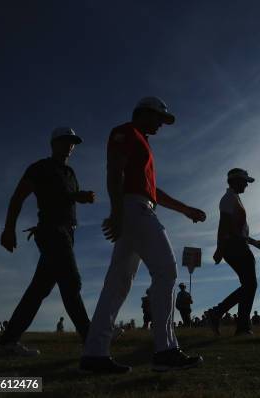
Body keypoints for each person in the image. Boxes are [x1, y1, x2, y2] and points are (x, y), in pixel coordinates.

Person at [80, 97, 207, 374]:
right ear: (144, 113)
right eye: (159, 118)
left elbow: (153, 192)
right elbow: (114, 171)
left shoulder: (142, 142)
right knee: (167, 271)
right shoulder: (126, 132)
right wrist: (116, 212)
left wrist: (185, 209)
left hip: (137, 207)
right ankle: (165, 351)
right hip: (133, 210)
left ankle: (94, 355)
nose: (162, 124)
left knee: (117, 284)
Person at [0, 127, 94, 356]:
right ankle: (92, 339)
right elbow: (17, 197)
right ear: (53, 143)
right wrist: (9, 229)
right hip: (52, 233)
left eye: (73, 142)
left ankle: (8, 341)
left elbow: (63, 200)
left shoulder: (70, 173)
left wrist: (78, 198)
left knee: (38, 290)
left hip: (67, 234)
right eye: (65, 141)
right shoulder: (40, 168)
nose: (70, 146)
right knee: (72, 282)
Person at [206, 169, 260, 336]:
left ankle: (232, 321)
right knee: (250, 285)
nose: (247, 185)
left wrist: (254, 242)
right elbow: (224, 225)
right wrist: (220, 248)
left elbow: (237, 230)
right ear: (235, 181)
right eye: (245, 181)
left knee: (248, 286)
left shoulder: (234, 198)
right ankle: (231, 321)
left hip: (237, 245)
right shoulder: (228, 199)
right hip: (235, 247)